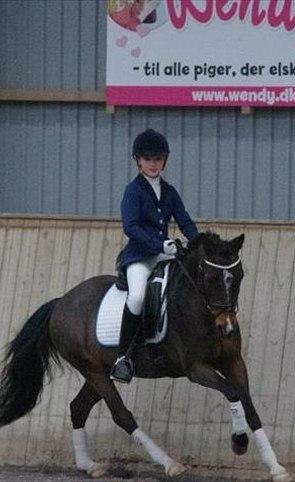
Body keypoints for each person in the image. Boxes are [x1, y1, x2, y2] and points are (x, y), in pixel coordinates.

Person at [111, 128, 199, 383]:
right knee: (137, 296)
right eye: (148, 159)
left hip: (166, 254)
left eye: (158, 159)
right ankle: (121, 358)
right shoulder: (133, 191)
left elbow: (185, 221)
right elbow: (131, 226)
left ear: (164, 161)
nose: (153, 164)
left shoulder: (169, 191)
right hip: (139, 256)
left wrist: (199, 243)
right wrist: (161, 245)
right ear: (138, 161)